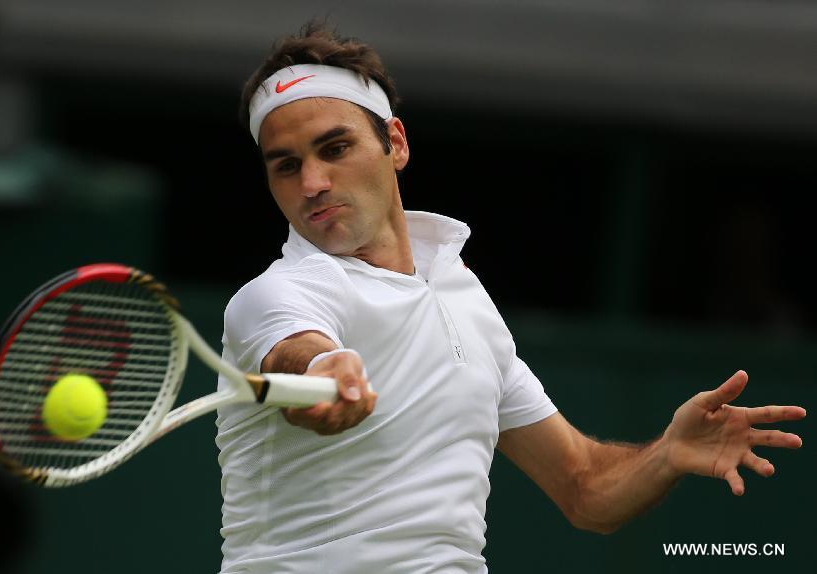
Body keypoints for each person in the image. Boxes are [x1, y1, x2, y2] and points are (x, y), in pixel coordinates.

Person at [215, 22, 806, 573]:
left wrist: (667, 453)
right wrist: (324, 369)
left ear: (394, 142)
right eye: (286, 166)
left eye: (334, 149)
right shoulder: (276, 294)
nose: (312, 184)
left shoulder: (463, 297)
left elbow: (585, 489)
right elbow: (297, 349)